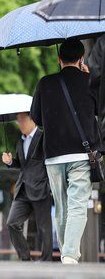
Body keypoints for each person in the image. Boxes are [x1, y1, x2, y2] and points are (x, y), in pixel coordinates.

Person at [31, 39, 98, 264]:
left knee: (61, 207)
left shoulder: (45, 83)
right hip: (81, 153)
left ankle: (67, 255)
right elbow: (100, 110)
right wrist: (90, 78)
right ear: (81, 59)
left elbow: (37, 119)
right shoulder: (90, 82)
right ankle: (69, 255)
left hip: (54, 155)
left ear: (59, 59)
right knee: (78, 204)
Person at [2, 112, 52, 261]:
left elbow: (50, 162)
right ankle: (25, 259)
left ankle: (46, 262)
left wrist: (50, 186)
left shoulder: (44, 138)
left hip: (41, 189)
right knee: (12, 223)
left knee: (44, 229)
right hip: (22, 190)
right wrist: (11, 162)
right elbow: (24, 165)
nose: (20, 123)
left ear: (32, 120)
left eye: (22, 120)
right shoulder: (20, 141)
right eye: (18, 121)